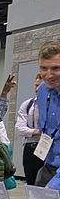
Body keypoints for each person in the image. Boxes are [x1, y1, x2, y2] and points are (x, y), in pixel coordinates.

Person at [34, 40, 60, 188]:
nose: (48, 75)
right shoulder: (43, 90)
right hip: (48, 166)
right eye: (44, 68)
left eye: (56, 68)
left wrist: (52, 188)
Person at [15, 74, 43, 185]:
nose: (37, 89)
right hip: (30, 146)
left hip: (48, 147)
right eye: (36, 85)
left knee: (44, 182)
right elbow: (20, 128)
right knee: (31, 181)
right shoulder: (28, 104)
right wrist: (36, 131)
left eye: (40, 86)